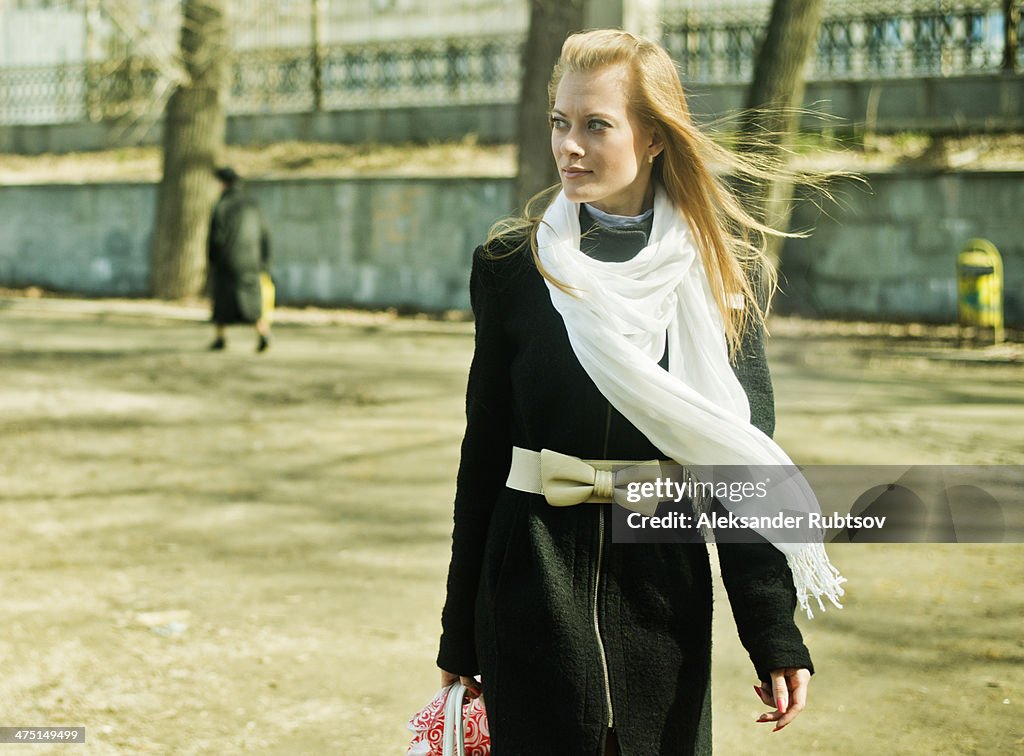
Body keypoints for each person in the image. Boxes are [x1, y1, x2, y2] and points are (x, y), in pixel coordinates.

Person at [435, 29, 845, 755]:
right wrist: (457, 634)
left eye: (596, 125)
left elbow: (738, 462)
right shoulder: (510, 266)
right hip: (529, 585)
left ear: (653, 137)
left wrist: (773, 629)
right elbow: (483, 454)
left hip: (663, 590)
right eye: (561, 123)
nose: (570, 146)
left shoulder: (719, 271)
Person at [207, 166, 272, 352]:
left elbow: (216, 237)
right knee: (252, 300)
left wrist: (212, 260)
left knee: (222, 300)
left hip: (227, 260)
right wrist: (265, 261)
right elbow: (265, 234)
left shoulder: (222, 205)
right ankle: (263, 332)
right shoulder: (253, 204)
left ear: (222, 184)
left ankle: (220, 337)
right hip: (252, 260)